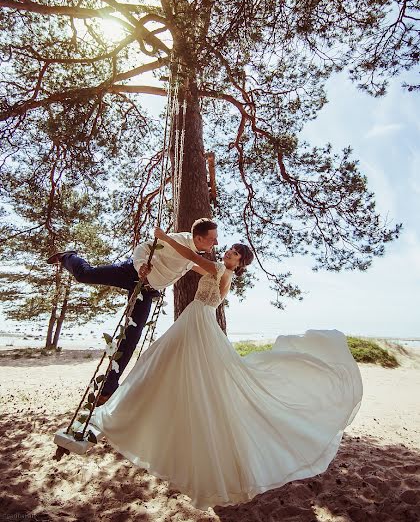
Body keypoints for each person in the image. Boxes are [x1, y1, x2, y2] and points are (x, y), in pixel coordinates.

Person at [91, 228, 363, 511]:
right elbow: (188, 264)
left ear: (239, 263)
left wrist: (167, 238)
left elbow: (187, 255)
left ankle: (127, 406)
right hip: (200, 321)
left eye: (234, 253)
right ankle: (137, 403)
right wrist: (158, 261)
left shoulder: (220, 268)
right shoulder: (223, 273)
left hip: (197, 322)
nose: (228, 253)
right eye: (229, 250)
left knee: (159, 360)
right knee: (167, 362)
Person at [46, 219, 218, 403]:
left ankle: (107, 390)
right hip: (130, 272)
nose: (216, 243)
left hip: (146, 291)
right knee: (84, 275)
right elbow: (143, 248)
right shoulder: (177, 241)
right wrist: (141, 265)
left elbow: (196, 265)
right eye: (213, 239)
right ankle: (68, 257)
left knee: (132, 336)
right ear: (198, 238)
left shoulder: (193, 250)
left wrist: (224, 272)